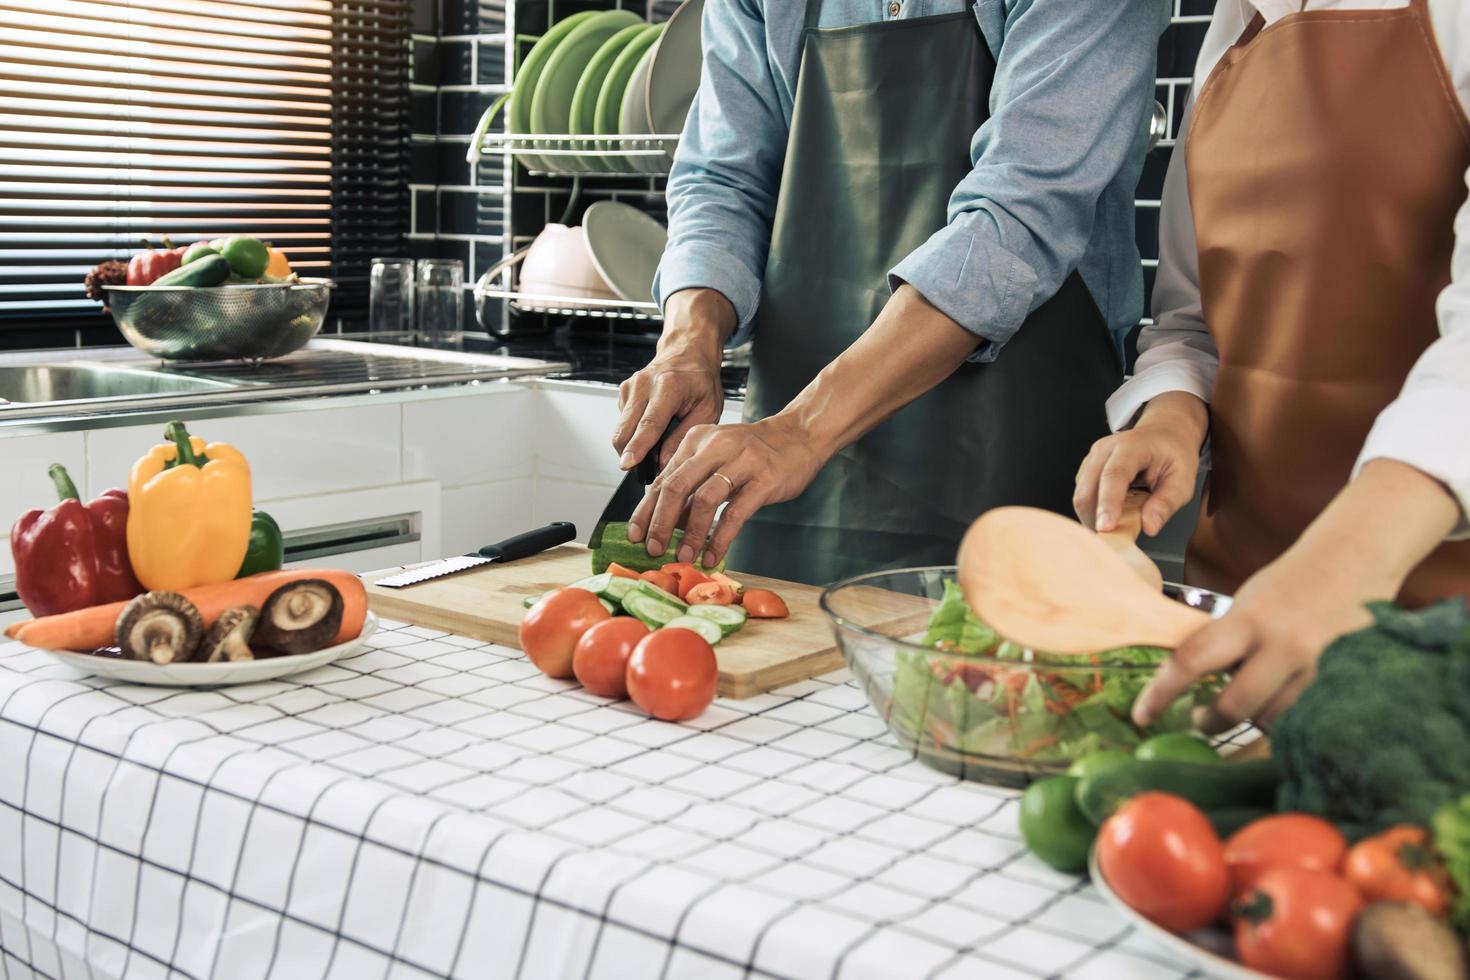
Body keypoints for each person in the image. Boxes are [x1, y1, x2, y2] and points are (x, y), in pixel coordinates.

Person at [610, 0, 1167, 585]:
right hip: (785, 462)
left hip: (1013, 458)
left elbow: (1020, 218)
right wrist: (689, 341)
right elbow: (723, 179)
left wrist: (800, 431)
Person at [1073, 0, 1470, 732]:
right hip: (1239, 613)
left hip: (1437, 624)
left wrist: (1342, 566)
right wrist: (1171, 416)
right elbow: (1196, 318)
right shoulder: (1233, 29)